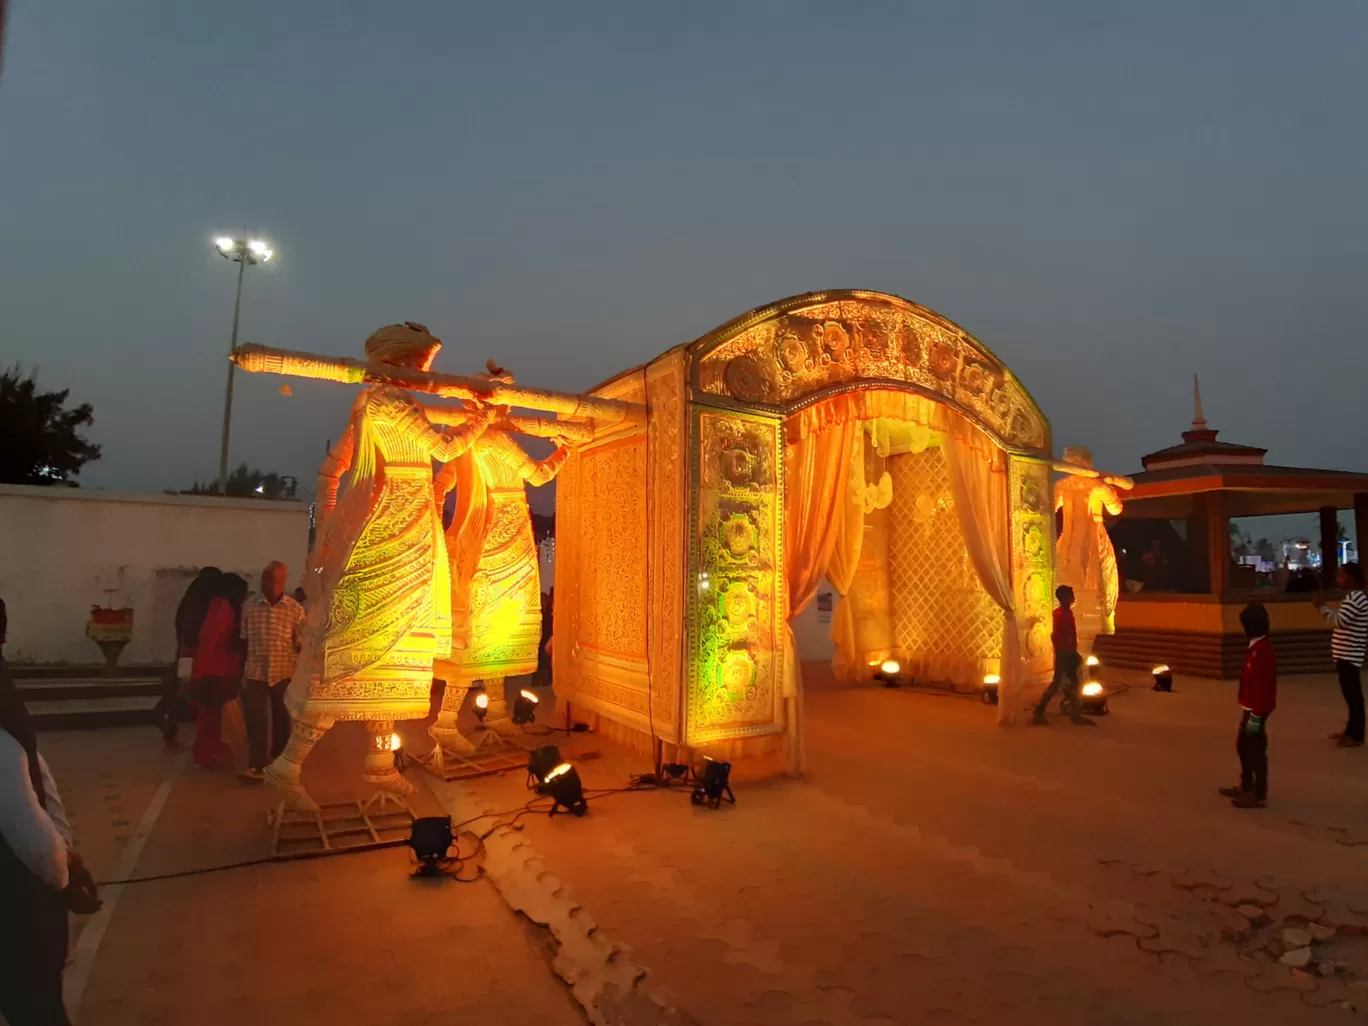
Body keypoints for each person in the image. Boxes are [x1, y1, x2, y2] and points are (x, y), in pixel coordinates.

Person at [0, 664, 100, 1024]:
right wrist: (64, 873)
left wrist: (66, 858)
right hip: (15, 909)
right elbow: (29, 828)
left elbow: (36, 775)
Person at [239, 561, 306, 782]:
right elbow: (244, 640)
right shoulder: (250, 607)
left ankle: (280, 762)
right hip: (255, 672)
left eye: (273, 579)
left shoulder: (295, 610)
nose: (268, 583)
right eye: (265, 578)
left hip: (283, 672)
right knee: (256, 719)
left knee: (282, 719)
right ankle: (257, 765)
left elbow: (300, 643)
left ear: (283, 582)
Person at [186, 573, 248, 769]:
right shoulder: (222, 610)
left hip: (220, 669)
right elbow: (207, 642)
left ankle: (212, 746)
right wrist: (197, 674)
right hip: (210, 670)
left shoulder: (226, 609)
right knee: (207, 714)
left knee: (214, 714)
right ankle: (203, 751)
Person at [157, 567, 223, 747]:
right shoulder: (200, 603)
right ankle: (169, 727)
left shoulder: (192, 598)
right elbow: (193, 630)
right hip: (191, 653)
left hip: (186, 652)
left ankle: (169, 724)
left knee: (183, 692)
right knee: (183, 693)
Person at [1222, 602, 1276, 808]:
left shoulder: (1262, 651)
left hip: (1256, 710)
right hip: (1251, 707)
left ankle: (1258, 792)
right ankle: (1246, 785)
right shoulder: (1256, 647)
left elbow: (1263, 686)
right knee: (1244, 746)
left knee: (1254, 748)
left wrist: (1255, 715)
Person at [1315, 562, 1368, 748]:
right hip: (1346, 654)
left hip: (1349, 655)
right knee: (1351, 695)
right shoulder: (1354, 597)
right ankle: (1351, 730)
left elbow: (1340, 621)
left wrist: (1322, 608)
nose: (1338, 580)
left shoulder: (1356, 598)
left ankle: (1356, 735)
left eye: (1341, 576)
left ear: (1351, 579)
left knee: (1353, 696)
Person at [1033, 585, 1092, 725]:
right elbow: (1059, 636)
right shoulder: (1062, 615)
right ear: (1065, 598)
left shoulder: (1064, 613)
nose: (1073, 597)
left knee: (1073, 683)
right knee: (1059, 684)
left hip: (1067, 652)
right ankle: (1039, 711)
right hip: (1065, 654)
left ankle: (1075, 712)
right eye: (1071, 595)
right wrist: (1067, 652)